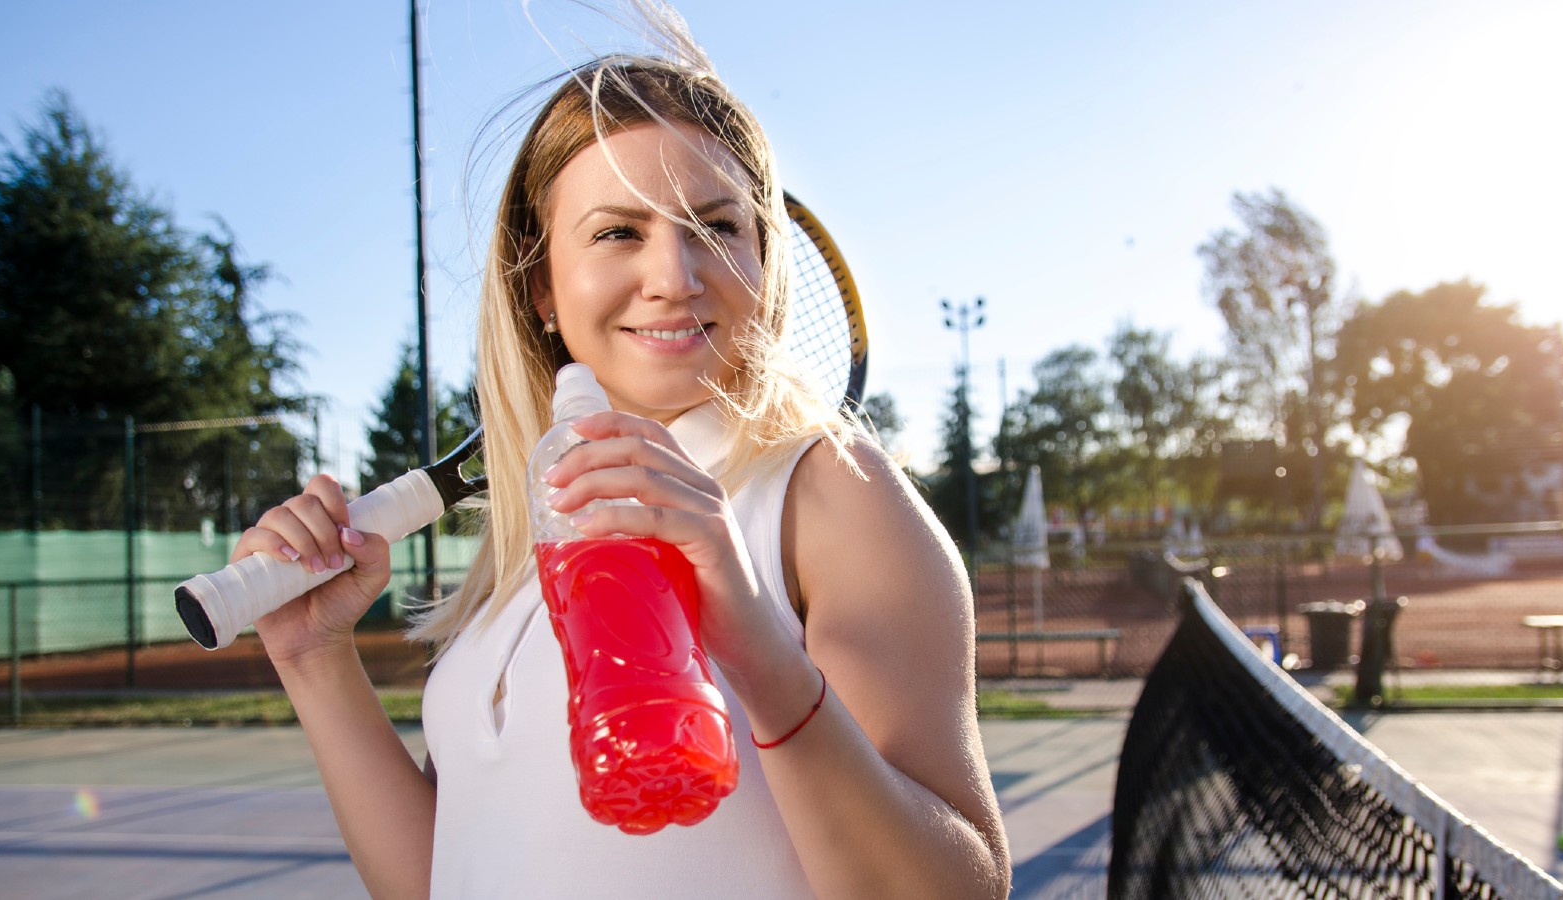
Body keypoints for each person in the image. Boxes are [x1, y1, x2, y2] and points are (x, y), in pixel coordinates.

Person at [232, 28, 1011, 900]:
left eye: (717, 227)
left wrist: (756, 649)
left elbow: (959, 890)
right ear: (540, 286)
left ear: (764, 261)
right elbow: (441, 878)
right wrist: (314, 659)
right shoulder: (544, 530)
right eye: (618, 232)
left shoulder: (831, 492)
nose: (674, 275)